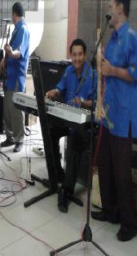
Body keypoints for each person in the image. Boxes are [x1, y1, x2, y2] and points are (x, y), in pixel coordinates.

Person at [92, 0, 137, 242]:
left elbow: (135, 74)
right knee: (106, 166)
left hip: (123, 115)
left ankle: (129, 223)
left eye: (110, 6)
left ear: (120, 8)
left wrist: (111, 69)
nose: (108, 10)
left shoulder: (132, 38)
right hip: (108, 113)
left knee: (122, 172)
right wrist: (101, 64)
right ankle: (110, 211)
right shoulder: (111, 39)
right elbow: (106, 69)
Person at [44, 38, 96, 212]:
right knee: (50, 130)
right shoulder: (68, 71)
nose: (77, 58)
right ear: (71, 55)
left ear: (85, 55)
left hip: (84, 123)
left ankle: (66, 191)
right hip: (68, 118)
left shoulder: (92, 75)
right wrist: (54, 92)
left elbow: (97, 103)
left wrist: (84, 103)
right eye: (74, 55)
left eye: (80, 54)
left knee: (75, 138)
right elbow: (60, 88)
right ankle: (58, 173)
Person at [0, 2, 30, 153]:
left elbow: (19, 52)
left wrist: (11, 53)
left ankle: (19, 139)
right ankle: (10, 137)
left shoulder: (23, 29)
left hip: (17, 77)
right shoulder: (15, 30)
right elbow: (11, 51)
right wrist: (5, 58)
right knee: (7, 108)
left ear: (14, 14)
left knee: (16, 109)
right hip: (9, 76)